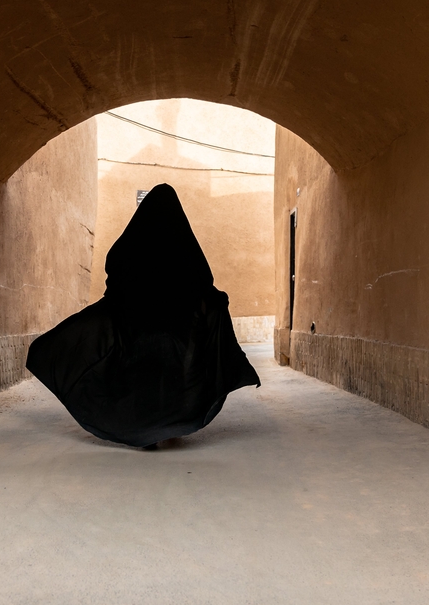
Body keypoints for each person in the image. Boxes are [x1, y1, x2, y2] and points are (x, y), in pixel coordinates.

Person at [26, 183, 260, 448]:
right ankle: (168, 427)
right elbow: (203, 284)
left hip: (134, 333)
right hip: (178, 334)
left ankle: (143, 433)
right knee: (172, 378)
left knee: (138, 378)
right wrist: (216, 304)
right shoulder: (184, 247)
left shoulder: (129, 247)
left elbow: (113, 280)